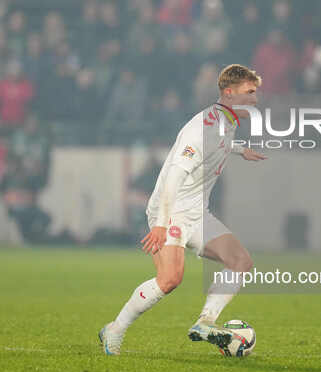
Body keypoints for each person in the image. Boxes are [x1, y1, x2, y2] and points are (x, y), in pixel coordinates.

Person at [99, 64, 267, 355]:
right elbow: (175, 176)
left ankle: (206, 322)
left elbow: (221, 143)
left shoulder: (225, 122)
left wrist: (241, 150)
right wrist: (162, 224)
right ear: (229, 92)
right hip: (172, 209)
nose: (254, 100)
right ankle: (115, 329)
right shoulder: (204, 127)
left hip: (197, 212)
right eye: (249, 93)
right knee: (170, 279)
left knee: (240, 261)